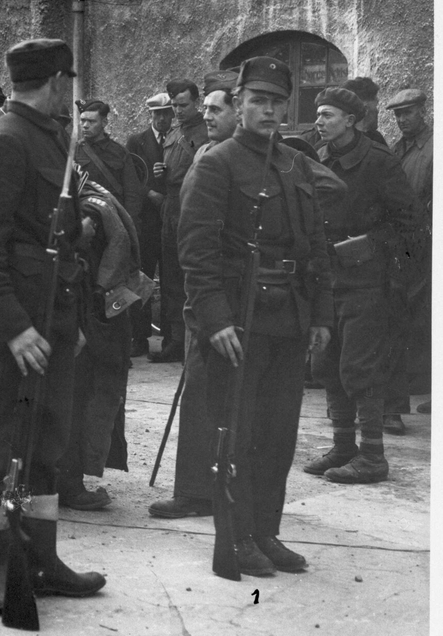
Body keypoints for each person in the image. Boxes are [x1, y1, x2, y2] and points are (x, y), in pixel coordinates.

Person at [0, 38, 106, 612]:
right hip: (17, 324)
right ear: (57, 80)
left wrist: (71, 317)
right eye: (71, 79)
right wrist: (15, 327)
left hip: (54, 316)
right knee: (0, 445)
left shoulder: (48, 136)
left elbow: (58, 236)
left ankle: (41, 559)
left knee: (46, 442)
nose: (74, 91)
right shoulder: (3, 140)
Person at [181, 56, 334, 576]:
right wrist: (215, 319)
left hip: (289, 317)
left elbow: (314, 245)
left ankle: (266, 532)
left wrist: (320, 314)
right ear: (240, 103)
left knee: (278, 435)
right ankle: (237, 537)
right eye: (257, 101)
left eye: (275, 103)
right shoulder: (217, 162)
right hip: (240, 320)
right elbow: (196, 252)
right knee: (236, 433)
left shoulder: (294, 163)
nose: (266, 110)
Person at [306, 86, 420, 483]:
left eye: (327, 115)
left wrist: (368, 246)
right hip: (327, 280)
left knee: (359, 367)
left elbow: (411, 225)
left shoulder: (378, 162)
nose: (318, 122)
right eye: (318, 115)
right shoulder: (318, 158)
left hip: (368, 281)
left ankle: (373, 456)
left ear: (350, 121)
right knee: (328, 363)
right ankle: (343, 446)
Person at [149, 69, 238, 520]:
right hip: (202, 289)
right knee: (201, 388)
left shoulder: (262, 158)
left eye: (216, 108)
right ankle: (196, 490)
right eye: (205, 107)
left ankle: (224, 489)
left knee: (233, 394)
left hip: (237, 289)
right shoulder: (203, 149)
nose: (207, 115)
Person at [154, 78, 208, 363]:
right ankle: (175, 339)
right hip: (171, 205)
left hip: (193, 205)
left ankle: (194, 339)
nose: (177, 110)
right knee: (171, 274)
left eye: (183, 104)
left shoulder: (206, 131)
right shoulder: (174, 132)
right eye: (174, 104)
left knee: (192, 272)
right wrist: (161, 173)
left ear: (196, 102)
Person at [386, 89, 433, 418]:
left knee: (428, 318)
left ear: (423, 110)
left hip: (428, 241)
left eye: (409, 113)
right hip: (404, 245)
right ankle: (399, 396)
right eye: (398, 114)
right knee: (403, 317)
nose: (403, 120)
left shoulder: (434, 148)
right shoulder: (397, 150)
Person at [125, 93, 174, 356]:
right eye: (158, 114)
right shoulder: (136, 141)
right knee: (142, 278)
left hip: (170, 220)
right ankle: (139, 337)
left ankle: (169, 338)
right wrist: (150, 194)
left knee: (170, 280)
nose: (163, 118)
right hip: (146, 221)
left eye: (167, 113)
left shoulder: (178, 140)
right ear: (151, 115)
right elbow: (131, 177)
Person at [75, 100, 143, 229]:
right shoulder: (73, 151)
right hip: (85, 220)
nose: (85, 125)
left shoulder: (119, 152)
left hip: (115, 219)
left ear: (104, 123)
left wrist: (130, 222)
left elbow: (132, 192)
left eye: (91, 121)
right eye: (82, 120)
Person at [343, 77, 389, 148]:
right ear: (366, 110)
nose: (378, 111)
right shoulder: (375, 141)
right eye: (376, 106)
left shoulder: (338, 139)